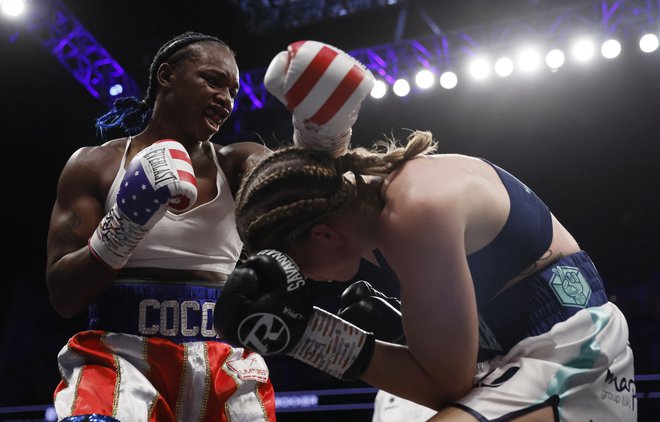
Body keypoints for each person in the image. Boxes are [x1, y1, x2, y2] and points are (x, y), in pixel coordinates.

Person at [214, 129, 638, 421]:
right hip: (517, 353)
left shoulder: (412, 212)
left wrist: (309, 335)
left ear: (324, 232)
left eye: (301, 264)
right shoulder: (371, 198)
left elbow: (448, 388)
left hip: (570, 356)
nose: (308, 279)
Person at [45, 31, 278, 421]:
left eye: (233, 91)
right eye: (213, 80)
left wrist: (321, 135)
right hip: (117, 356)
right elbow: (64, 297)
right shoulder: (95, 164)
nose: (226, 98)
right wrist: (125, 223)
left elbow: (294, 197)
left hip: (223, 361)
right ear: (166, 76)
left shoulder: (240, 162)